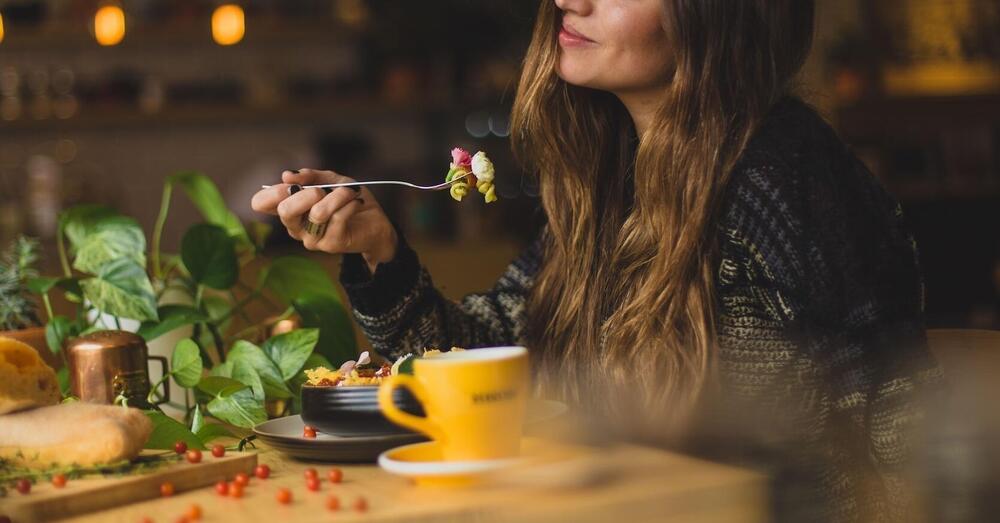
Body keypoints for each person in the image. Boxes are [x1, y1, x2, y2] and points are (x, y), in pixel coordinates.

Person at [252, 1, 940, 520]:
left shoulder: (782, 173)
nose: (568, 0)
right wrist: (380, 251)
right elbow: (489, 365)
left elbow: (895, 438)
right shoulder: (611, 181)